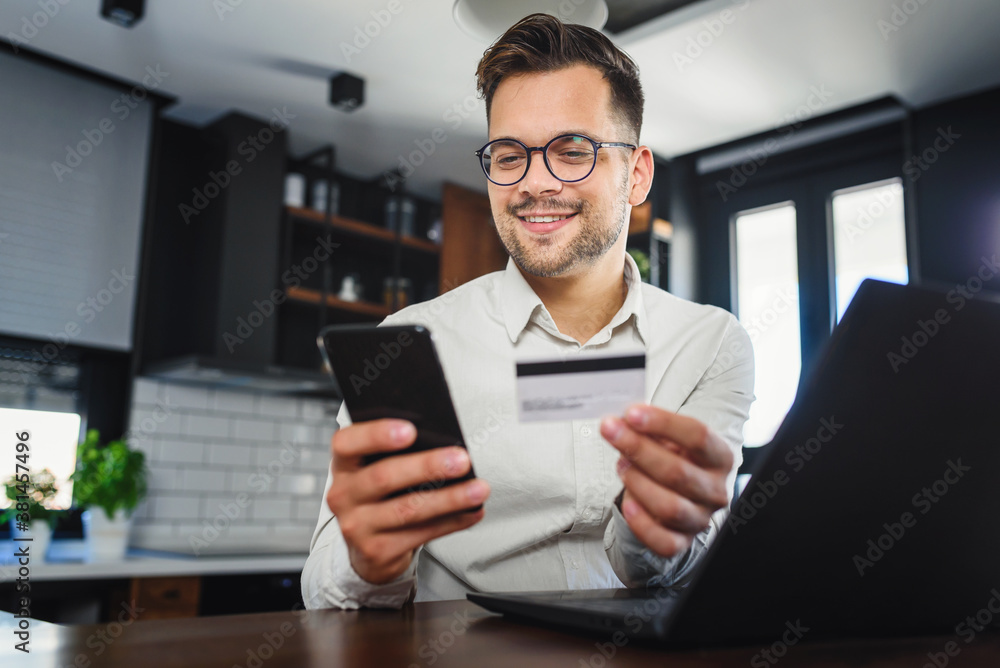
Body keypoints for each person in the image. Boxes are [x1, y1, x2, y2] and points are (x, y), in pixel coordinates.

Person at [302, 13, 754, 609]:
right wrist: (368, 563)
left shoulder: (710, 345)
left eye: (572, 151)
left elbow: (675, 564)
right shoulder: (409, 342)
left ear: (637, 173)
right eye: (510, 155)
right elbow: (324, 592)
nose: (534, 183)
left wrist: (655, 533)